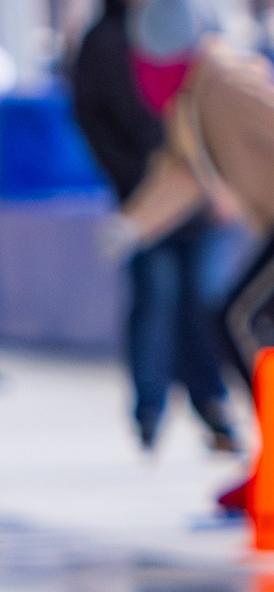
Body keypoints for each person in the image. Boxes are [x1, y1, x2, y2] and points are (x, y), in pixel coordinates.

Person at [73, 0, 241, 453]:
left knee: (207, 303)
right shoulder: (105, 40)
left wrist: (220, 180)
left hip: (201, 194)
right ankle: (150, 405)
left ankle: (214, 405)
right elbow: (91, 115)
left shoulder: (192, 26)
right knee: (156, 298)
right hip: (146, 191)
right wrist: (131, 181)